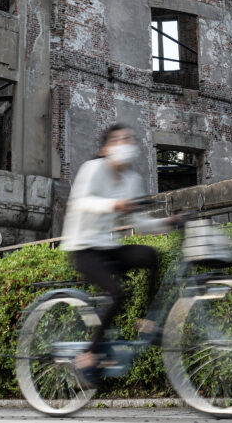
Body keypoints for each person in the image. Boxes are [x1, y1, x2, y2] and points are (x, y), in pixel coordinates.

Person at [60, 123, 175, 384]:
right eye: (118, 140)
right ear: (105, 148)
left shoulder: (132, 179)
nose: (125, 144)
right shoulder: (93, 169)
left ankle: (148, 323)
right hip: (83, 248)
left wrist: (167, 222)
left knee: (151, 256)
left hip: (109, 247)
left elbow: (140, 222)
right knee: (117, 293)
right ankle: (87, 356)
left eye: (129, 139)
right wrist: (114, 204)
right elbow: (82, 202)